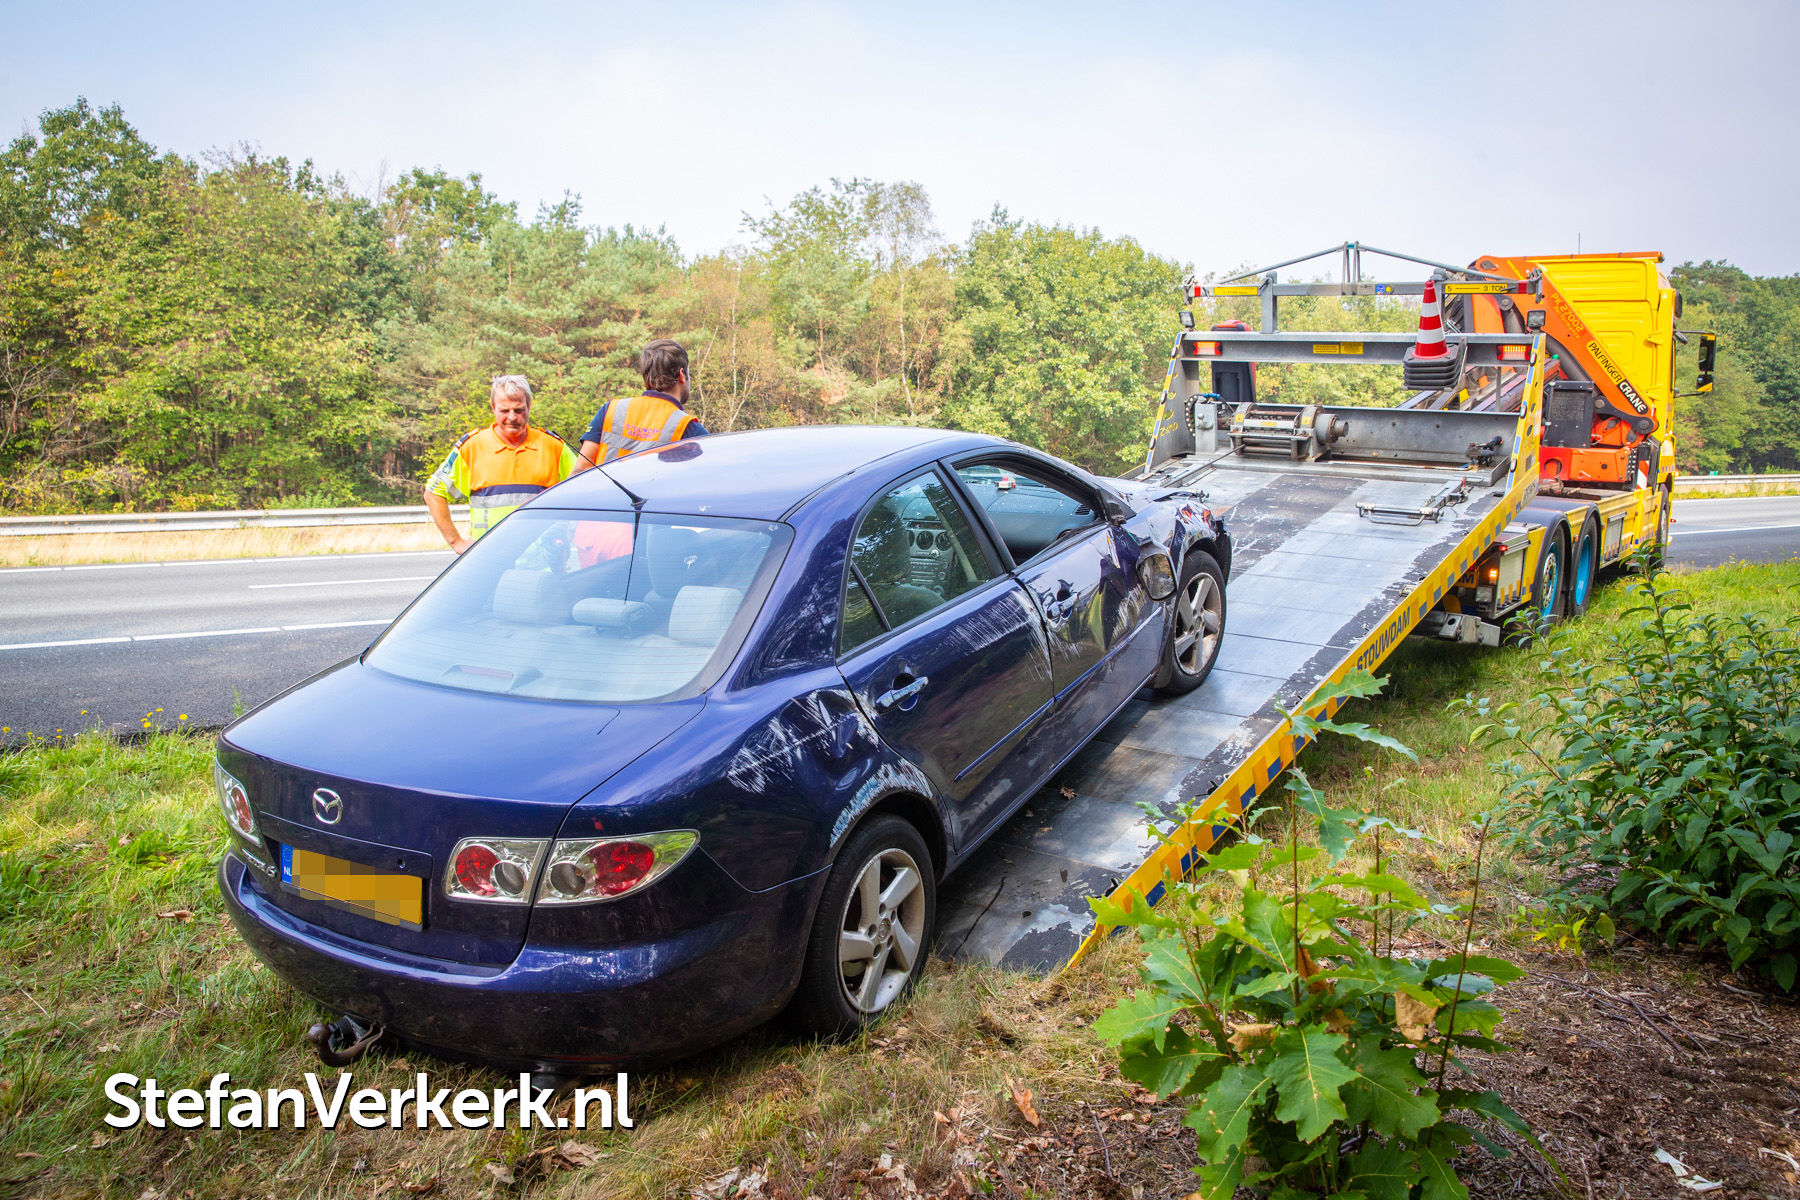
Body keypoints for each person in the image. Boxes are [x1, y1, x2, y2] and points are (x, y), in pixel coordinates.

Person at [425, 374, 577, 553]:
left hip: (544, 561)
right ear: (493, 407)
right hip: (489, 558)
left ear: (529, 406)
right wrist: (456, 542)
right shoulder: (472, 447)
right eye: (504, 411)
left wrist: (570, 533)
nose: (512, 417)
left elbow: (586, 489)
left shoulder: (553, 447)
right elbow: (433, 493)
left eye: (518, 410)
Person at [573, 339, 708, 471]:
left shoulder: (611, 410)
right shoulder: (688, 428)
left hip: (604, 488)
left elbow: (580, 469)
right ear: (681, 375)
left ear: (645, 378)